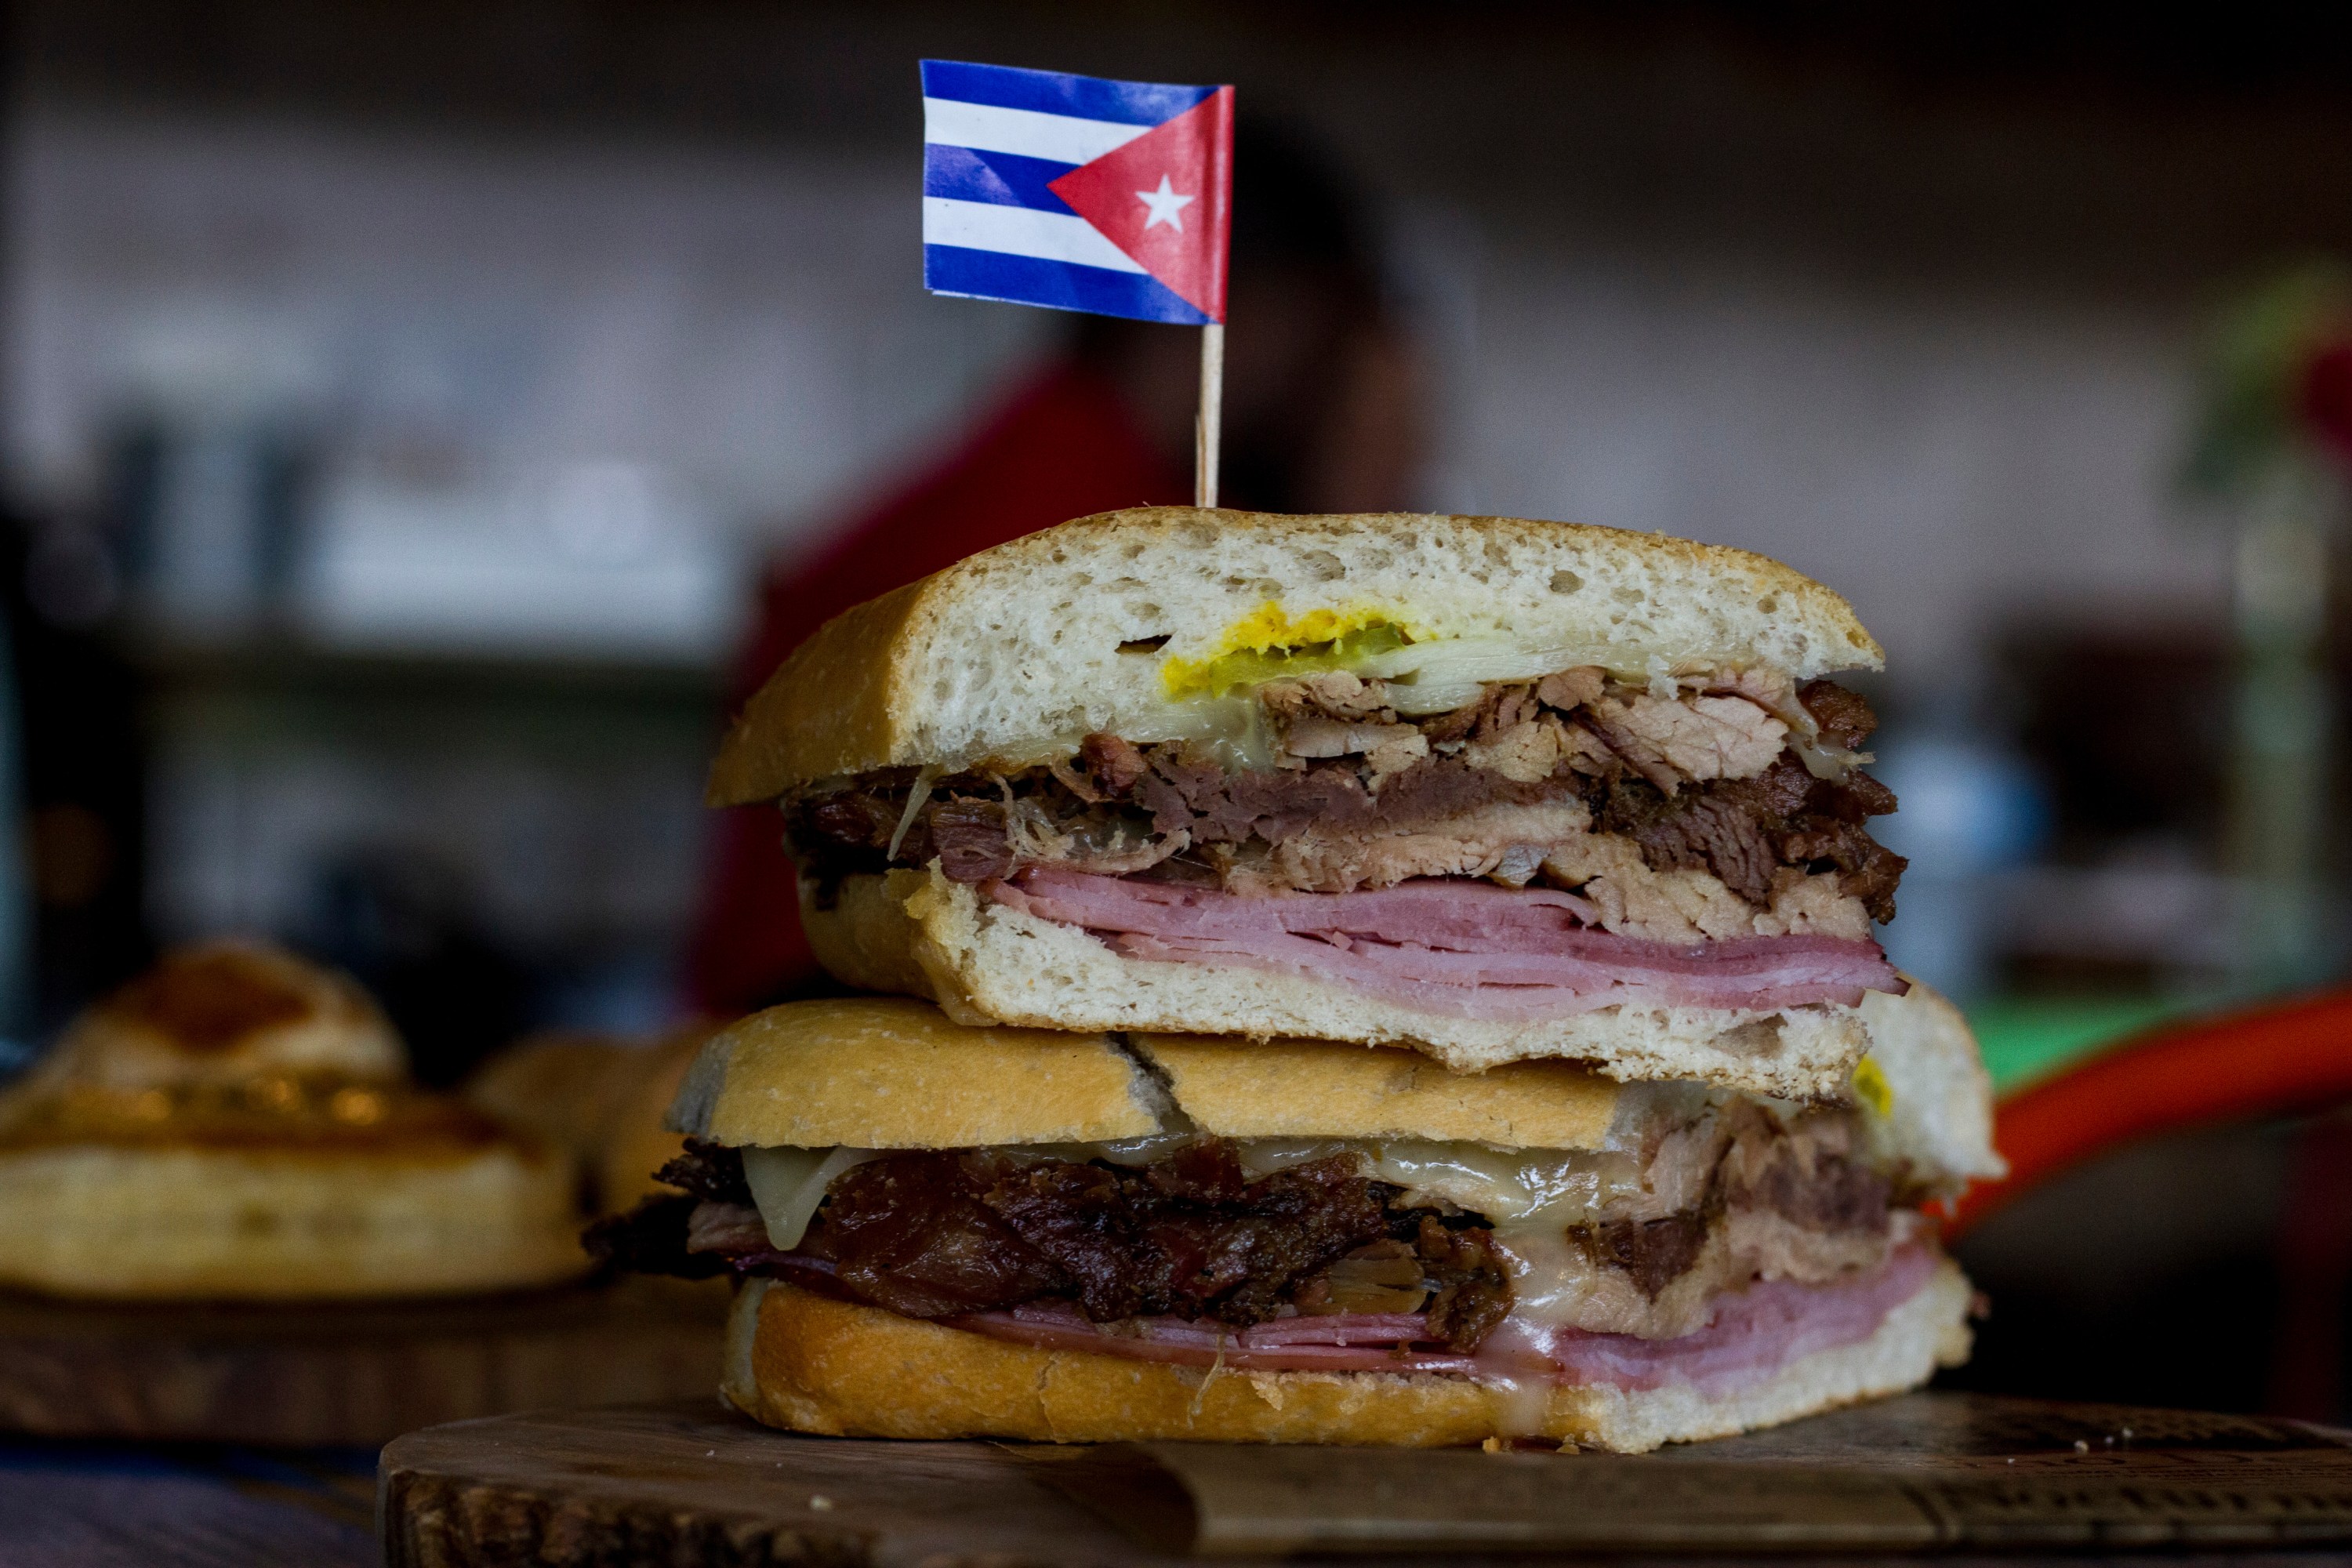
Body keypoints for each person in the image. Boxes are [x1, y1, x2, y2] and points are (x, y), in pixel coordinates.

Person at [687, 122, 1424, 1015]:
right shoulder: (1082, 528)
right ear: (1265, 311)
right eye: (1348, 332)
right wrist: (1365, 516)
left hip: (827, 996)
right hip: (850, 1010)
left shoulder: (1039, 461)